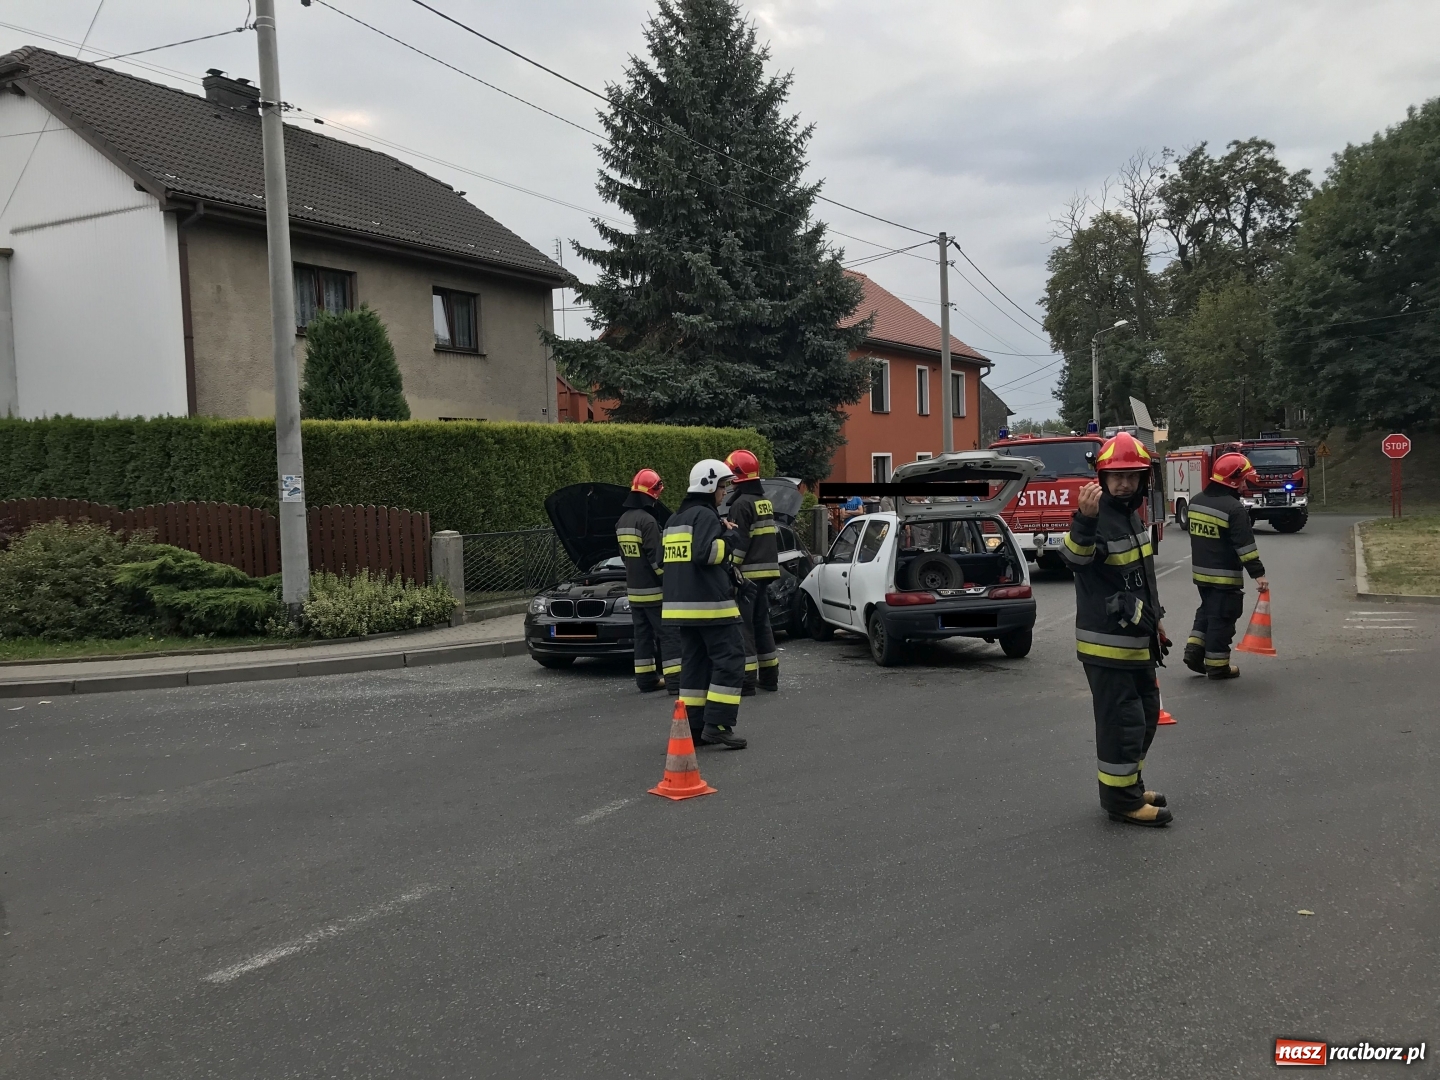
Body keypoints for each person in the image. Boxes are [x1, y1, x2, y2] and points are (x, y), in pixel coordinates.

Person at [1061, 431, 1173, 827]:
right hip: (1108, 647)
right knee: (1122, 723)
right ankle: (1121, 802)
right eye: (1117, 476)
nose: (1124, 482)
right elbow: (1075, 558)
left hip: (1137, 640)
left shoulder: (1131, 514)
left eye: (1132, 475)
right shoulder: (1096, 516)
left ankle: (1130, 785)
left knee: (1142, 716)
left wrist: (1155, 619)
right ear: (1102, 478)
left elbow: (1142, 577)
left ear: (1144, 479)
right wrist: (1084, 521)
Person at [661, 459, 747, 749]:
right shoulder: (706, 517)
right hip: (711, 607)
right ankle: (719, 724)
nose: (723, 493)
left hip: (680, 609)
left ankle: (695, 727)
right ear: (710, 486)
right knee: (731, 659)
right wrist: (730, 536)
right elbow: (707, 554)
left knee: (694, 667)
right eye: (722, 487)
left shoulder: (675, 519)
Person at [1182, 452, 1269, 679]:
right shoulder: (1234, 509)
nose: (1244, 484)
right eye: (1243, 479)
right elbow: (1245, 546)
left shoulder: (1196, 502)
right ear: (1234, 479)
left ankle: (1194, 649)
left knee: (1208, 610)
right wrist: (1258, 574)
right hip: (1225, 577)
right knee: (1223, 618)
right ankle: (1217, 665)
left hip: (1201, 574)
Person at [615, 468, 680, 693]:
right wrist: (670, 584)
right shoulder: (648, 521)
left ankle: (646, 680)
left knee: (642, 636)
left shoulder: (622, 521)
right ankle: (676, 682)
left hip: (634, 591)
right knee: (669, 635)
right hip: (655, 592)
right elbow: (656, 560)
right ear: (652, 494)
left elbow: (625, 557)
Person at [723, 448, 780, 694]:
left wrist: (730, 568)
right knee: (762, 624)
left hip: (747, 576)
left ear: (738, 476)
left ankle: (746, 681)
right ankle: (769, 677)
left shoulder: (741, 504)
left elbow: (740, 542)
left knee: (744, 626)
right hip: (767, 573)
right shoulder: (763, 501)